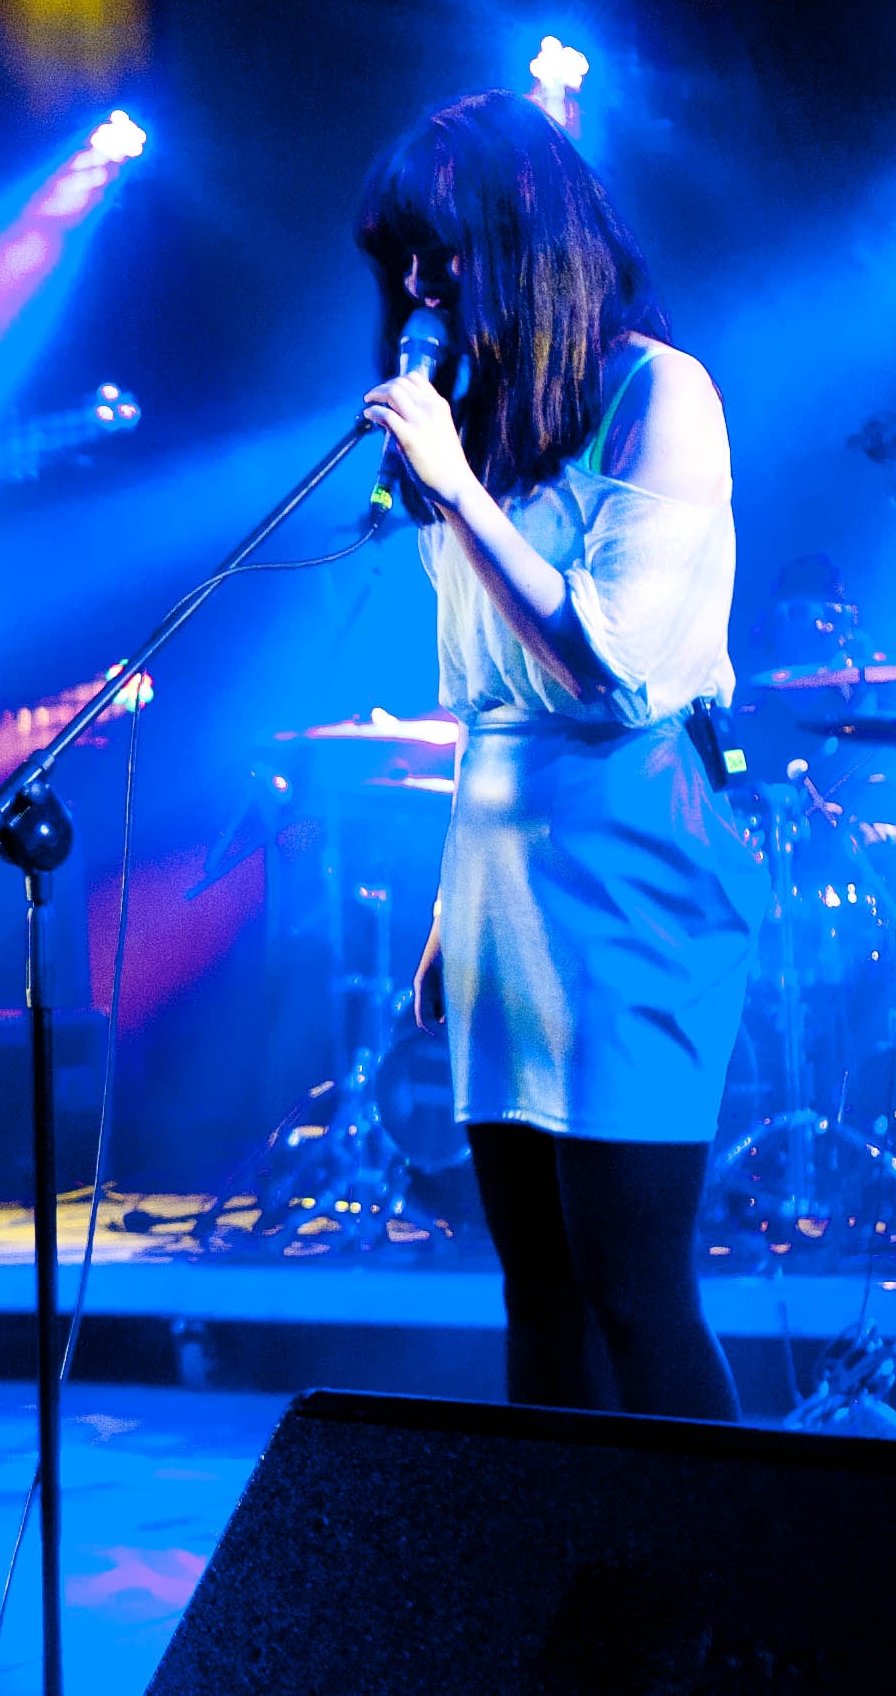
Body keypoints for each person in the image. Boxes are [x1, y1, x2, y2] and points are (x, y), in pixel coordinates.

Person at [361, 91, 762, 1421]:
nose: (419, 284)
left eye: (441, 249)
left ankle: (717, 1595)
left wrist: (461, 494)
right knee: (536, 1287)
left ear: (522, 236)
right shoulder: (486, 425)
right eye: (404, 259)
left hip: (630, 868)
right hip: (497, 883)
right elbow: (488, 700)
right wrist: (441, 908)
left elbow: (618, 665)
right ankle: (562, 1588)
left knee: (634, 1284)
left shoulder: (661, 394)